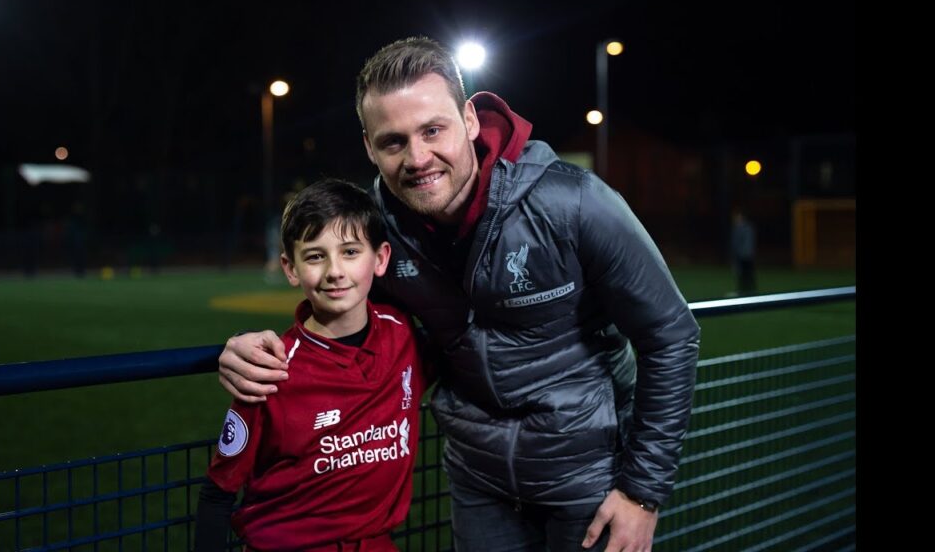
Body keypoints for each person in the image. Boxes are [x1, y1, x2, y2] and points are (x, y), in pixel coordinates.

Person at [217, 37, 701, 552]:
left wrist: (642, 493)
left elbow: (671, 335)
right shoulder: (381, 228)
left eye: (433, 130)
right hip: (477, 483)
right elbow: (359, 327)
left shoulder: (575, 202)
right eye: (394, 141)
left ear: (469, 119)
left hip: (589, 476)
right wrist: (251, 349)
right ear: (369, 147)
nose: (418, 157)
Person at [194, 178, 427, 552]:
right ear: (290, 268)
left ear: (380, 258)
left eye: (350, 252)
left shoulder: (404, 336)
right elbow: (218, 493)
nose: (335, 271)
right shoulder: (270, 369)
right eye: (316, 256)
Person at [731, 209, 757, 295]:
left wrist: (745, 252)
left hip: (745, 255)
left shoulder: (746, 228)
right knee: (742, 275)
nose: (736, 219)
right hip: (743, 254)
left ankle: (750, 291)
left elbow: (746, 242)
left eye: (738, 217)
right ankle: (744, 291)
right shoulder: (739, 227)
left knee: (747, 274)